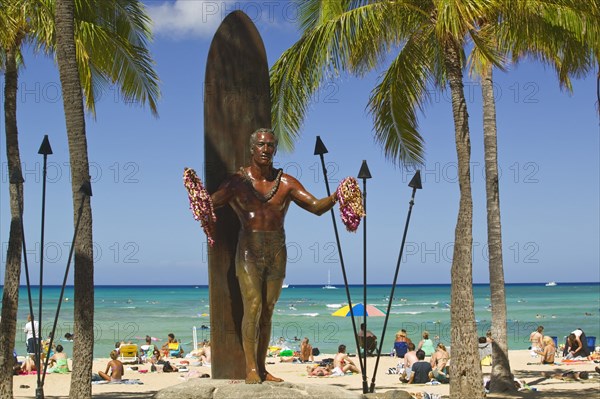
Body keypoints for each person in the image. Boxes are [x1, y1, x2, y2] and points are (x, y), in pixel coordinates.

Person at [209, 128, 338, 384]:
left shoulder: (286, 182)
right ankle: (250, 369)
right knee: (254, 306)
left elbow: (315, 207)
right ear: (252, 149)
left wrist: (338, 196)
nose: (266, 149)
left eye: (270, 145)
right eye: (261, 145)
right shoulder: (236, 182)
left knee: (267, 310)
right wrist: (195, 197)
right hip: (248, 248)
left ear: (274, 150)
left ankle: (262, 367)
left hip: (277, 249)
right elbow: (210, 203)